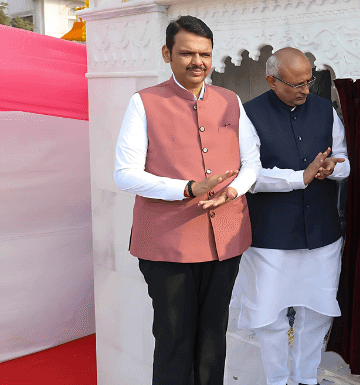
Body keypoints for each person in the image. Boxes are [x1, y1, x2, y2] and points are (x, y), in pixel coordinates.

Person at [113, 15, 261, 385]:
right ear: (167, 54)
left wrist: (233, 191)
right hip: (169, 244)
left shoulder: (230, 100)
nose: (198, 62)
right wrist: (187, 188)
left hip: (225, 238)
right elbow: (124, 174)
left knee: (214, 338)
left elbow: (252, 161)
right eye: (187, 53)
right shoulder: (144, 102)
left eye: (205, 54)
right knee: (174, 339)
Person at [234, 47, 350, 385]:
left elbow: (343, 157)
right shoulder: (248, 114)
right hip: (270, 236)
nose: (304, 90)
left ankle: (306, 378)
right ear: (272, 80)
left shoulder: (325, 109)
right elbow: (248, 175)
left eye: (308, 82)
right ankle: (277, 380)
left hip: (322, 231)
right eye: (295, 84)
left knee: (316, 311)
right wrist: (298, 178)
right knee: (269, 316)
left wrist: (333, 168)